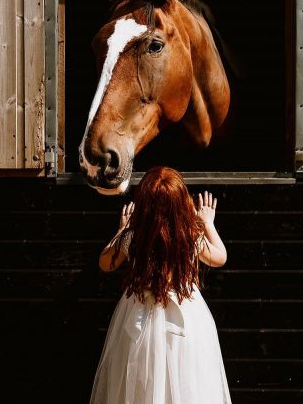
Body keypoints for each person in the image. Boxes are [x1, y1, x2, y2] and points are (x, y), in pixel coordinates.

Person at [90, 166, 231, 403]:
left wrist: (121, 230)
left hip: (139, 314)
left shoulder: (133, 238)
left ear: (143, 204)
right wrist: (207, 223)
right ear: (180, 205)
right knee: (188, 379)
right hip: (186, 316)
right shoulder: (188, 236)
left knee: (140, 384)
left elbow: (105, 262)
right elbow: (220, 257)